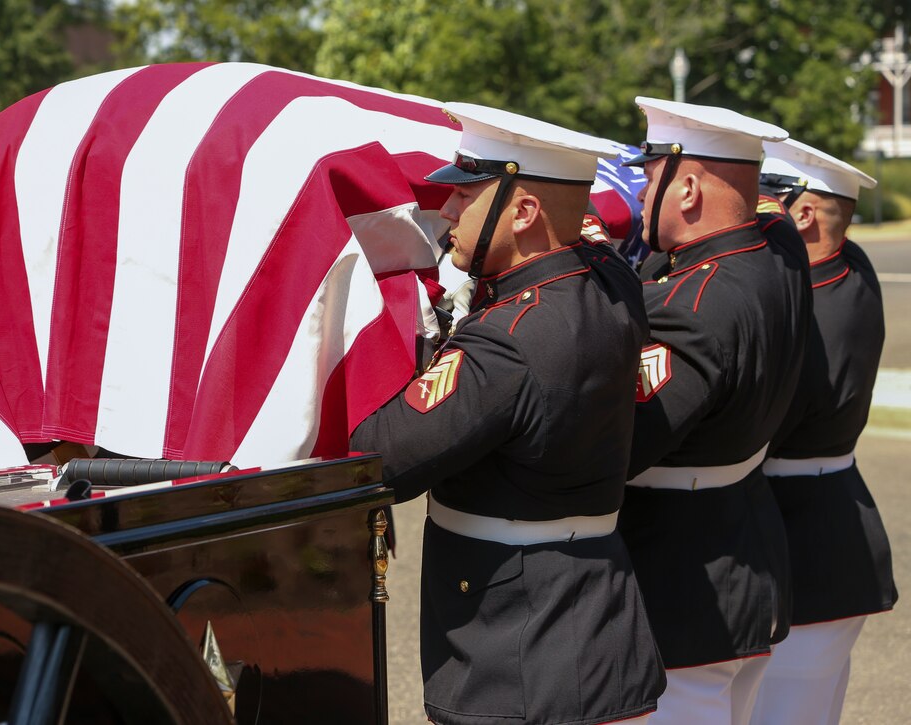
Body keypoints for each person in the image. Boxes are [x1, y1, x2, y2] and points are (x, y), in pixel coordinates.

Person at [351, 103, 665, 725]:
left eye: (464, 196)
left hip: (517, 654)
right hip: (597, 620)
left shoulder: (509, 338)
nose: (444, 212)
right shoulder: (610, 277)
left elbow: (379, 459)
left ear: (522, 212)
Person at [617, 97, 813, 724]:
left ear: (691, 188)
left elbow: (619, 447)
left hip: (685, 582)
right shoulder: (778, 249)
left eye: (649, 180)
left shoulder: (695, 305)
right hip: (745, 547)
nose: (640, 196)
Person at [748, 139, 898, 725]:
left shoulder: (812, 309)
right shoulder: (848, 266)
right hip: (829, 525)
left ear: (803, 215)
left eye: (768, 200)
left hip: (807, 539)